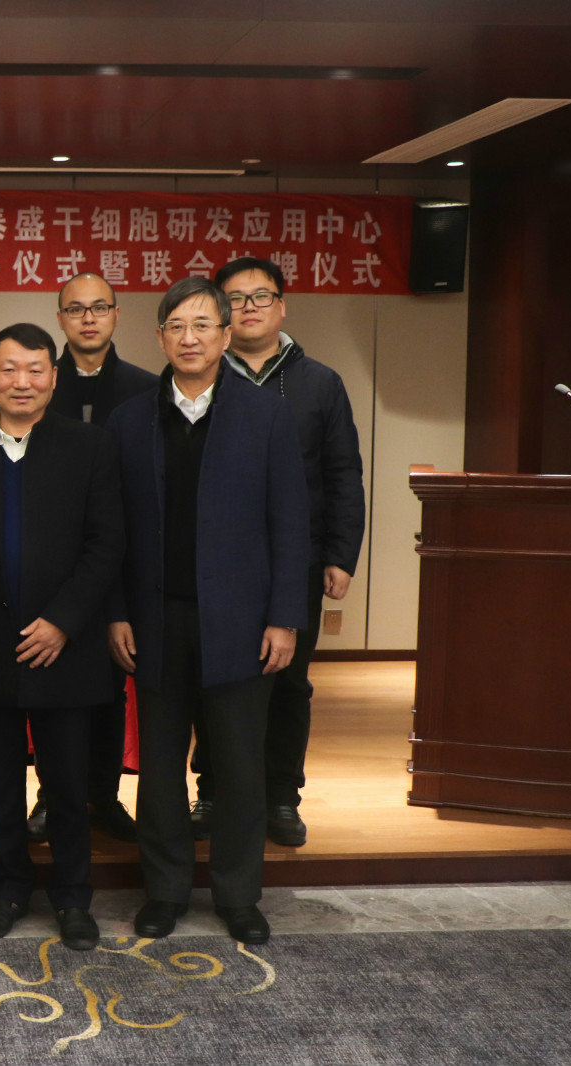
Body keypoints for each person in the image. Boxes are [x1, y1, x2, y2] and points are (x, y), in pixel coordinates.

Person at [105, 276, 309, 946]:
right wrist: (116, 612)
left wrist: (284, 617)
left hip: (243, 624)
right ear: (159, 337)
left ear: (225, 335)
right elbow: (111, 531)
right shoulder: (130, 419)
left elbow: (291, 523)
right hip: (155, 619)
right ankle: (164, 891)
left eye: (202, 326)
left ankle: (238, 895)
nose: (189, 338)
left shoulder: (266, 416)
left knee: (241, 766)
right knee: (160, 767)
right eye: (176, 327)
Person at [0, 323, 124, 950]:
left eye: (36, 369)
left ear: (54, 377)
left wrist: (63, 620)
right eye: (9, 369)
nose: (22, 382)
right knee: (1, 786)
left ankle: (72, 897)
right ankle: (9, 890)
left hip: (65, 647)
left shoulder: (90, 446)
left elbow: (106, 543)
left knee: (68, 784)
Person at [187, 258, 366, 848]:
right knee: (215, 679)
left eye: (261, 296)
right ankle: (212, 791)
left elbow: (343, 474)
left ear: (282, 307)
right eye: (235, 298)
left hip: (297, 561)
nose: (249, 307)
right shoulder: (203, 381)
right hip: (217, 564)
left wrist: (340, 554)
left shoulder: (320, 383)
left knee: (288, 682)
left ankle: (281, 796)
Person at [25, 274, 160, 845]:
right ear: (60, 318)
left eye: (99, 308)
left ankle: (103, 794)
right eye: (75, 309)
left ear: (116, 315)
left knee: (110, 685)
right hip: (47, 567)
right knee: (47, 685)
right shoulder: (37, 383)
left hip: (121, 561)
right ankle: (50, 796)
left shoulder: (146, 389)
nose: (88, 318)